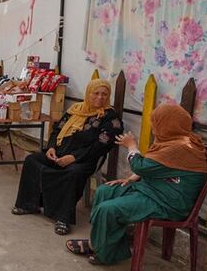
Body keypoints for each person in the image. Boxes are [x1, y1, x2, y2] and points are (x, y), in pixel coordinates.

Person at [66, 103, 207, 266]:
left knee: (108, 209)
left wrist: (132, 146)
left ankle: (104, 253)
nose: (154, 127)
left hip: (166, 203)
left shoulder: (181, 148)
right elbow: (158, 167)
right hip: (152, 190)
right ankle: (98, 242)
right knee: (105, 191)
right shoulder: (173, 141)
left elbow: (141, 165)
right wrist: (132, 178)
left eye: (157, 122)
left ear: (168, 125)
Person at [11, 79, 123, 235]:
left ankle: (63, 217)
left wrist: (74, 157)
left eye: (104, 94)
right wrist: (51, 147)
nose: (100, 97)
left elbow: (101, 145)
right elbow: (57, 129)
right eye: (95, 93)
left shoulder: (111, 118)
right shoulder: (76, 109)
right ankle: (28, 204)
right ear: (88, 93)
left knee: (73, 172)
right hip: (59, 153)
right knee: (32, 160)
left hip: (84, 160)